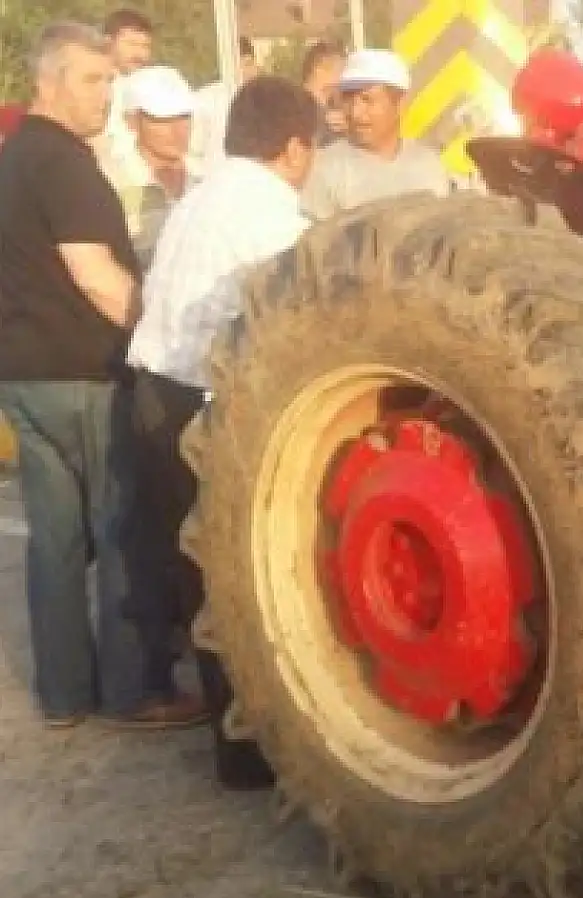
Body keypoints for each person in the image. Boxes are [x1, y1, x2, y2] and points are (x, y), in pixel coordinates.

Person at [0, 21, 207, 730]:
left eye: (109, 80)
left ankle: (64, 692)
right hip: (83, 372)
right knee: (120, 532)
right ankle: (138, 690)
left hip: (23, 376)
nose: (105, 95)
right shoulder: (64, 164)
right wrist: (158, 335)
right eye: (92, 80)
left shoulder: (12, 157)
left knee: (55, 539)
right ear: (49, 82)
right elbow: (94, 273)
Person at [123, 75, 322, 789]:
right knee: (228, 576)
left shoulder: (199, 196)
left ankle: (232, 744)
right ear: (296, 147)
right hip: (193, 403)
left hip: (150, 389)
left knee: (193, 571)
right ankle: (249, 748)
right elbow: (315, 299)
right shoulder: (268, 212)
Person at [300, 49, 449, 220]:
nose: (356, 112)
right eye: (348, 100)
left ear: (399, 103)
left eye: (367, 100)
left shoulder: (428, 166)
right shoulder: (325, 168)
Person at [101, 64, 199, 266]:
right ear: (132, 121)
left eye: (184, 116)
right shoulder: (110, 183)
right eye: (163, 119)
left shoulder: (208, 178)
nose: (178, 130)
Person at [188, 36, 262, 173]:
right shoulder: (207, 99)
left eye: (250, 63)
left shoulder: (263, 102)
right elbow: (190, 153)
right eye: (244, 64)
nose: (250, 70)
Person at [95, 8, 155, 167]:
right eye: (132, 44)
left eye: (146, 46)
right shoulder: (92, 87)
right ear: (108, 43)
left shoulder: (148, 89)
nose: (140, 54)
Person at [300, 39, 349, 145]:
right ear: (319, 70)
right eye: (340, 70)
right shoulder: (297, 108)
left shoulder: (337, 109)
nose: (345, 76)